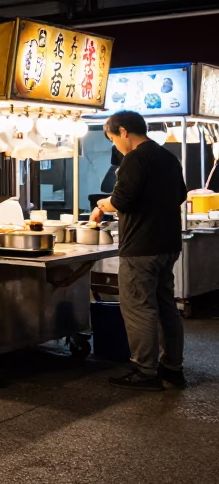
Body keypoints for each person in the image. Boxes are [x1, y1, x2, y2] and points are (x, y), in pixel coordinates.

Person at [91, 110, 188, 391]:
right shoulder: (167, 156)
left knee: (139, 308)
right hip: (168, 245)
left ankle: (145, 371)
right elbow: (180, 195)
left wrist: (100, 206)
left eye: (112, 138)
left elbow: (121, 201)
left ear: (123, 131)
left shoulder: (135, 158)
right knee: (166, 306)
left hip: (141, 248)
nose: (115, 146)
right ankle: (173, 368)